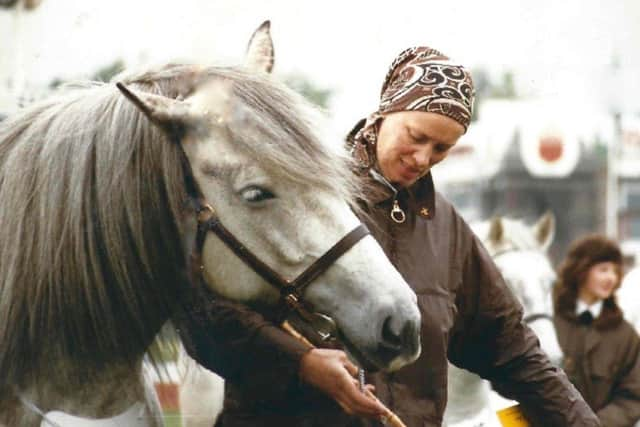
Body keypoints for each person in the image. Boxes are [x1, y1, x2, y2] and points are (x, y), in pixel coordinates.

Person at [174, 46, 600, 426]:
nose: (423, 159)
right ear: (385, 109)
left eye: (441, 150)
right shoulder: (298, 191)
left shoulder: (447, 230)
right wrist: (300, 363)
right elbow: (202, 310)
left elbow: (514, 350)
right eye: (416, 137)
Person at [553, 234, 640, 426]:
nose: (611, 277)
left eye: (616, 271)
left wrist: (593, 425)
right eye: (603, 270)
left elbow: (632, 397)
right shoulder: (548, 324)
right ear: (580, 270)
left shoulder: (626, 337)